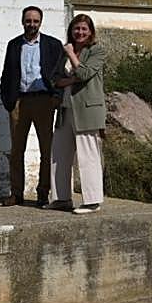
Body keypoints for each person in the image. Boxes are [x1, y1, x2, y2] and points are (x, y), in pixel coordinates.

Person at [0, 6, 63, 207]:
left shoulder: (52, 45)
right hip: (19, 101)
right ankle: (16, 193)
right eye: (28, 21)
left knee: (47, 149)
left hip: (44, 100)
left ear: (40, 22)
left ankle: (43, 193)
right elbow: (6, 74)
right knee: (17, 149)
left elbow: (60, 73)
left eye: (35, 21)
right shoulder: (14, 45)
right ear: (22, 21)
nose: (32, 25)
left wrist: (56, 98)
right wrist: (8, 101)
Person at [48, 13, 107, 214]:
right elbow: (54, 79)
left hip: (87, 110)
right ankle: (61, 198)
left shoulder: (96, 50)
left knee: (88, 155)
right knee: (59, 154)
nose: (79, 32)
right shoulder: (66, 51)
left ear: (90, 32)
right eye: (76, 28)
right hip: (65, 109)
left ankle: (92, 201)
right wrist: (72, 79)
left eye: (84, 29)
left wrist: (73, 56)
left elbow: (84, 73)